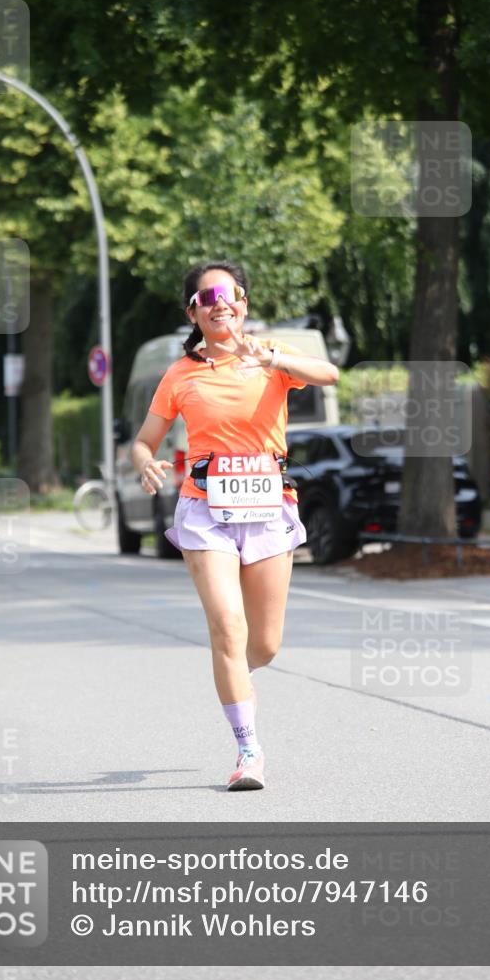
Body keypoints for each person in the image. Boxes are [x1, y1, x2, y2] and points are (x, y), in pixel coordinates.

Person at [130, 260, 339, 790]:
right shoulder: (180, 374)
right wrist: (144, 462)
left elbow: (331, 374)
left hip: (269, 508)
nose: (220, 303)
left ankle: (233, 676)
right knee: (228, 627)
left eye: (229, 293)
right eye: (207, 297)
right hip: (205, 510)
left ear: (243, 304)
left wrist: (270, 357)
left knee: (262, 646)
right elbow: (144, 441)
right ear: (193, 313)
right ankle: (248, 751)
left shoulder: (273, 359)